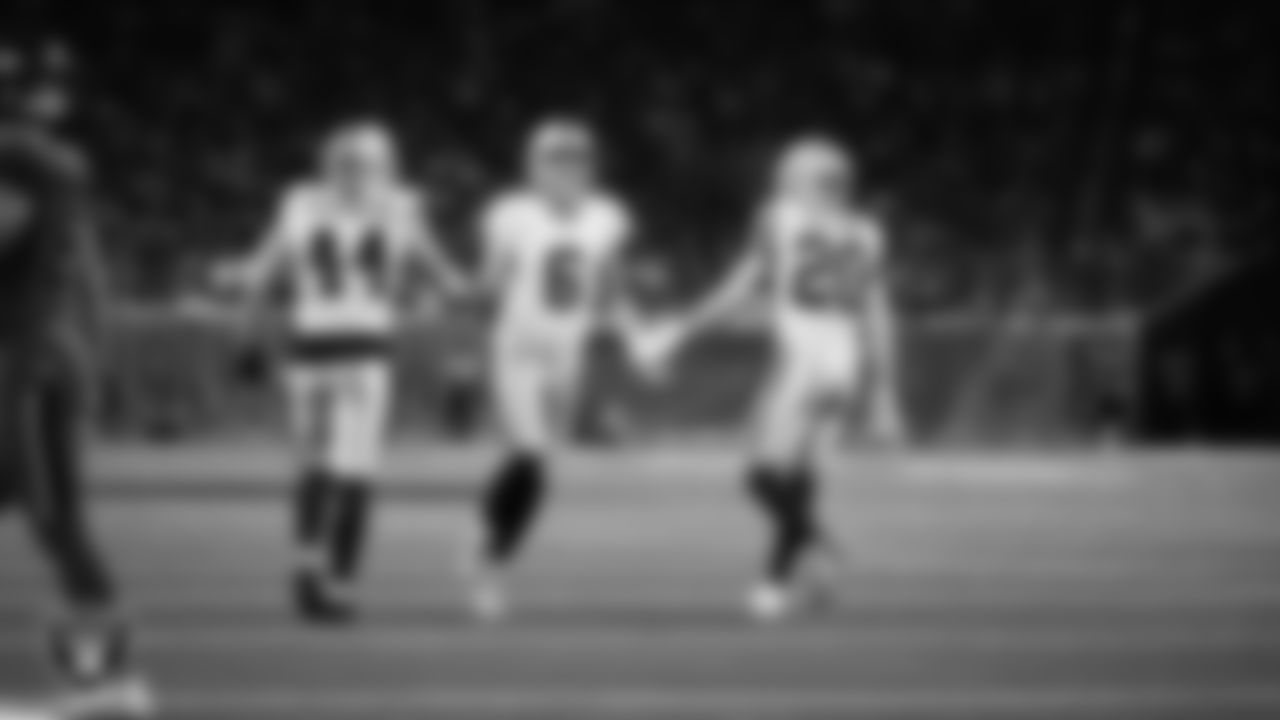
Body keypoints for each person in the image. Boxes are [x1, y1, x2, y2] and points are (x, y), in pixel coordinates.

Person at [212, 120, 467, 624]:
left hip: (310, 347)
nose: (352, 175)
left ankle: (311, 572)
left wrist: (243, 321)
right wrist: (465, 290)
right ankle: (339, 582)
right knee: (353, 472)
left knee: (315, 467)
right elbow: (446, 275)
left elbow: (260, 272)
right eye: (349, 165)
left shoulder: (300, 202)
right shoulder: (400, 205)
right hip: (358, 347)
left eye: (356, 165)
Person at [645, 136, 906, 621]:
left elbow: (736, 291)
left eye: (792, 175)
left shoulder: (781, 219)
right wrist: (884, 393)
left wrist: (678, 333)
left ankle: (814, 551)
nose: (783, 183)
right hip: (843, 368)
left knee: (761, 477)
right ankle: (779, 584)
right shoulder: (868, 233)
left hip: (804, 364)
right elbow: (878, 314)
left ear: (816, 183)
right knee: (799, 477)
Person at [0, 37, 153, 715]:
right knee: (59, 527)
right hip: (45, 358)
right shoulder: (54, 164)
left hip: (21, 364)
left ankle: (105, 679)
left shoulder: (23, 160)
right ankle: (106, 680)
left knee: (58, 524)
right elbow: (86, 277)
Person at [464, 117, 638, 621]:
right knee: (532, 457)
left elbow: (610, 282)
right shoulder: (510, 215)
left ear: (589, 167)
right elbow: (490, 282)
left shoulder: (608, 216)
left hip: (567, 353)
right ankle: (489, 569)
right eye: (555, 162)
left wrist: (632, 332)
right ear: (534, 167)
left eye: (575, 162)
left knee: (540, 471)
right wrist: (473, 299)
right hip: (518, 350)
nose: (566, 172)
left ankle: (483, 531)